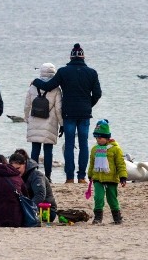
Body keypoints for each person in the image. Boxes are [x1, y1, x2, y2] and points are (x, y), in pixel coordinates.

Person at [31, 43, 102, 184]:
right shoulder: (92, 73)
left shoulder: (64, 71)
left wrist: (36, 81)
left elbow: (49, 86)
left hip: (69, 113)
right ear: (83, 57)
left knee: (69, 145)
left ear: (71, 57)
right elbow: (98, 94)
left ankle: (69, 177)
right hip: (84, 114)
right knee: (83, 145)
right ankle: (81, 177)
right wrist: (89, 104)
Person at [24, 63, 63, 179]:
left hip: (35, 120)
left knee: (35, 149)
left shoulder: (33, 86)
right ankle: (48, 176)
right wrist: (62, 124)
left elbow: (27, 105)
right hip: (50, 123)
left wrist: (27, 118)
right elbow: (58, 109)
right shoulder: (56, 89)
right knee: (48, 151)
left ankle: (33, 175)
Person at [87, 119, 128, 224]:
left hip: (111, 179)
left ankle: (117, 218)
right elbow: (92, 163)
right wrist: (90, 174)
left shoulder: (115, 149)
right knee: (98, 198)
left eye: (100, 137)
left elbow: (120, 164)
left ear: (106, 137)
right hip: (98, 178)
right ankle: (97, 218)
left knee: (112, 199)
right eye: (96, 137)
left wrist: (123, 177)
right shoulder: (94, 149)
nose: (98, 140)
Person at [8, 149, 57, 222]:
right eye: (13, 169)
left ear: (24, 164)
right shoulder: (15, 175)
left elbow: (40, 195)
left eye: (18, 168)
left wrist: (27, 209)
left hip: (47, 210)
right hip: (30, 206)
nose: (16, 171)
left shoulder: (36, 175)